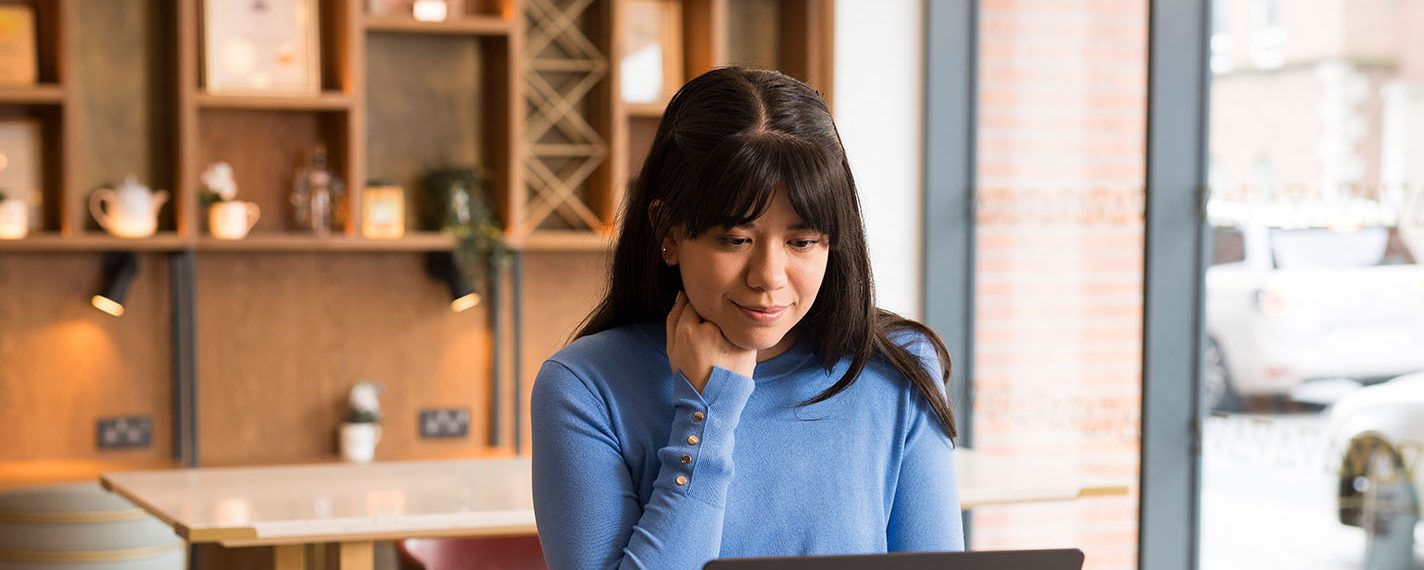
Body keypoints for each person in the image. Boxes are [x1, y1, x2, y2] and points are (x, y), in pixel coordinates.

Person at [531, 67, 964, 570]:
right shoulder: (584, 388)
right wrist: (705, 417)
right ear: (667, 230)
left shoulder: (899, 370)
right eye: (736, 240)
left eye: (801, 242)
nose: (768, 277)